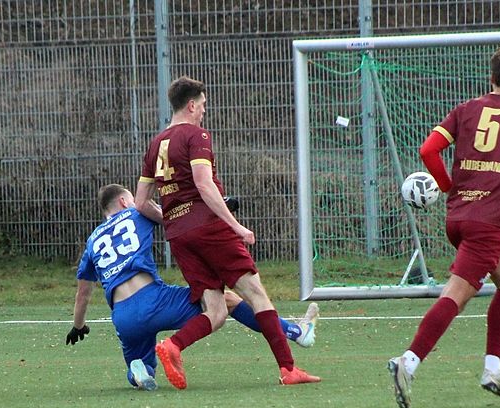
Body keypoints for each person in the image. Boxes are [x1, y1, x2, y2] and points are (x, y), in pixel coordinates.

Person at [387, 44, 500, 408]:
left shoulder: (466, 109)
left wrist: (449, 187)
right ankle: (407, 362)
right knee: (457, 295)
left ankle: (493, 369)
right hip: (489, 223)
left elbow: (428, 150)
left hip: (459, 216)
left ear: (491, 77)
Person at [134, 76, 320, 389]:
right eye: (203, 105)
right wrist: (236, 226)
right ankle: (289, 369)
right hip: (209, 228)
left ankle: (173, 345)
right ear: (191, 105)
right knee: (256, 293)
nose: (204, 111)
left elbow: (141, 202)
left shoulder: (155, 145)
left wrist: (174, 219)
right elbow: (203, 183)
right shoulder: (196, 135)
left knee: (217, 310)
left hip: (179, 236)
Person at [69, 184, 319, 390]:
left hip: (123, 317)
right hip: (156, 300)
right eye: (133, 200)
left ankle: (138, 371)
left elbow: (83, 294)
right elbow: (180, 216)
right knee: (226, 301)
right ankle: (296, 332)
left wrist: (78, 326)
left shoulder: (92, 242)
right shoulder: (137, 213)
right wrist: (217, 207)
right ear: (124, 202)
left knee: (142, 366)